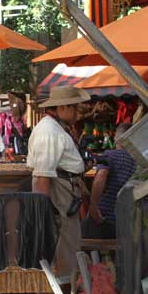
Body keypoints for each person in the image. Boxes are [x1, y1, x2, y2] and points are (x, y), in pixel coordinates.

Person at [27, 86, 90, 280]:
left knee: (69, 240)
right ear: (63, 108)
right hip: (59, 192)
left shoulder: (55, 128)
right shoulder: (49, 131)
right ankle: (65, 287)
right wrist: (44, 210)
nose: (77, 114)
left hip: (65, 188)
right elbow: (43, 175)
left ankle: (67, 283)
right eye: (75, 108)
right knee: (64, 241)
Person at [84, 123, 136, 239]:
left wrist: (93, 206)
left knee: (81, 238)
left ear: (116, 139)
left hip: (104, 219)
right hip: (129, 224)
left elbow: (101, 176)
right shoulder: (139, 162)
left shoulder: (109, 155)